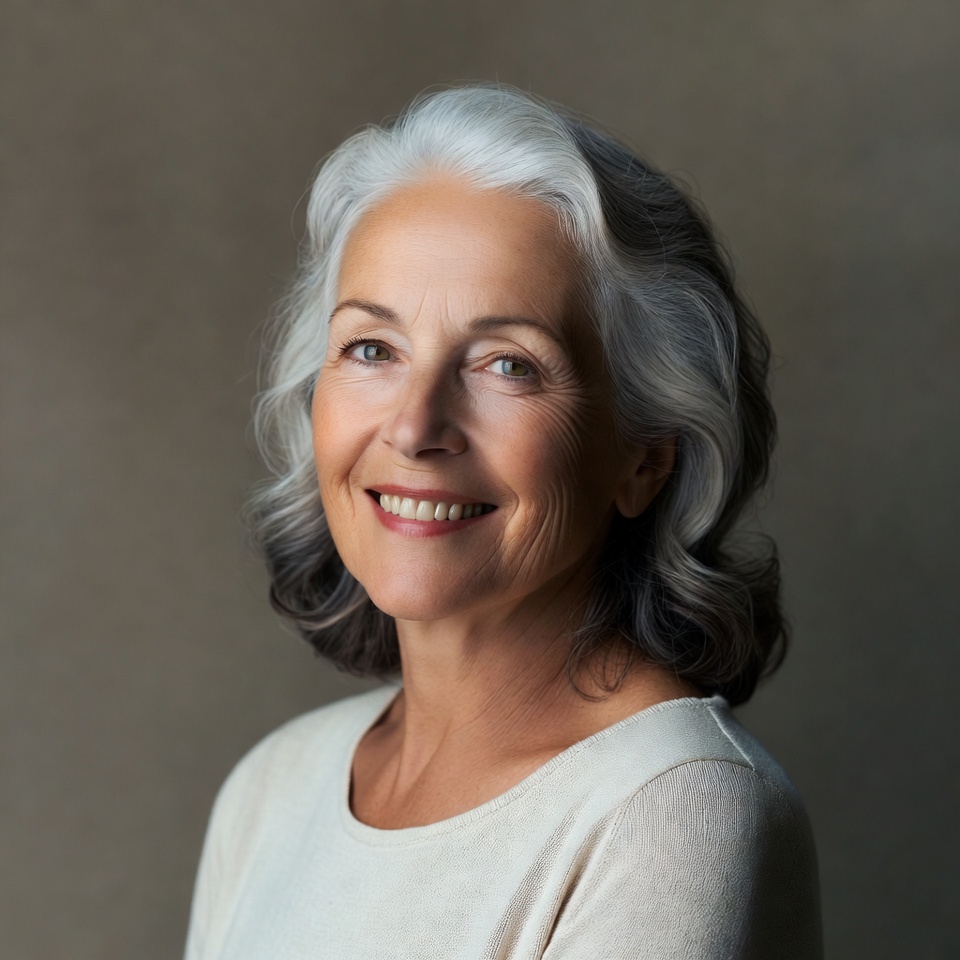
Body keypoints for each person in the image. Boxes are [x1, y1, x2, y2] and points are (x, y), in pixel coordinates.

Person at [183, 85, 822, 959]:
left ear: (645, 456)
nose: (414, 429)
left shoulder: (678, 806)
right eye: (373, 348)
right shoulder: (273, 788)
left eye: (507, 365)